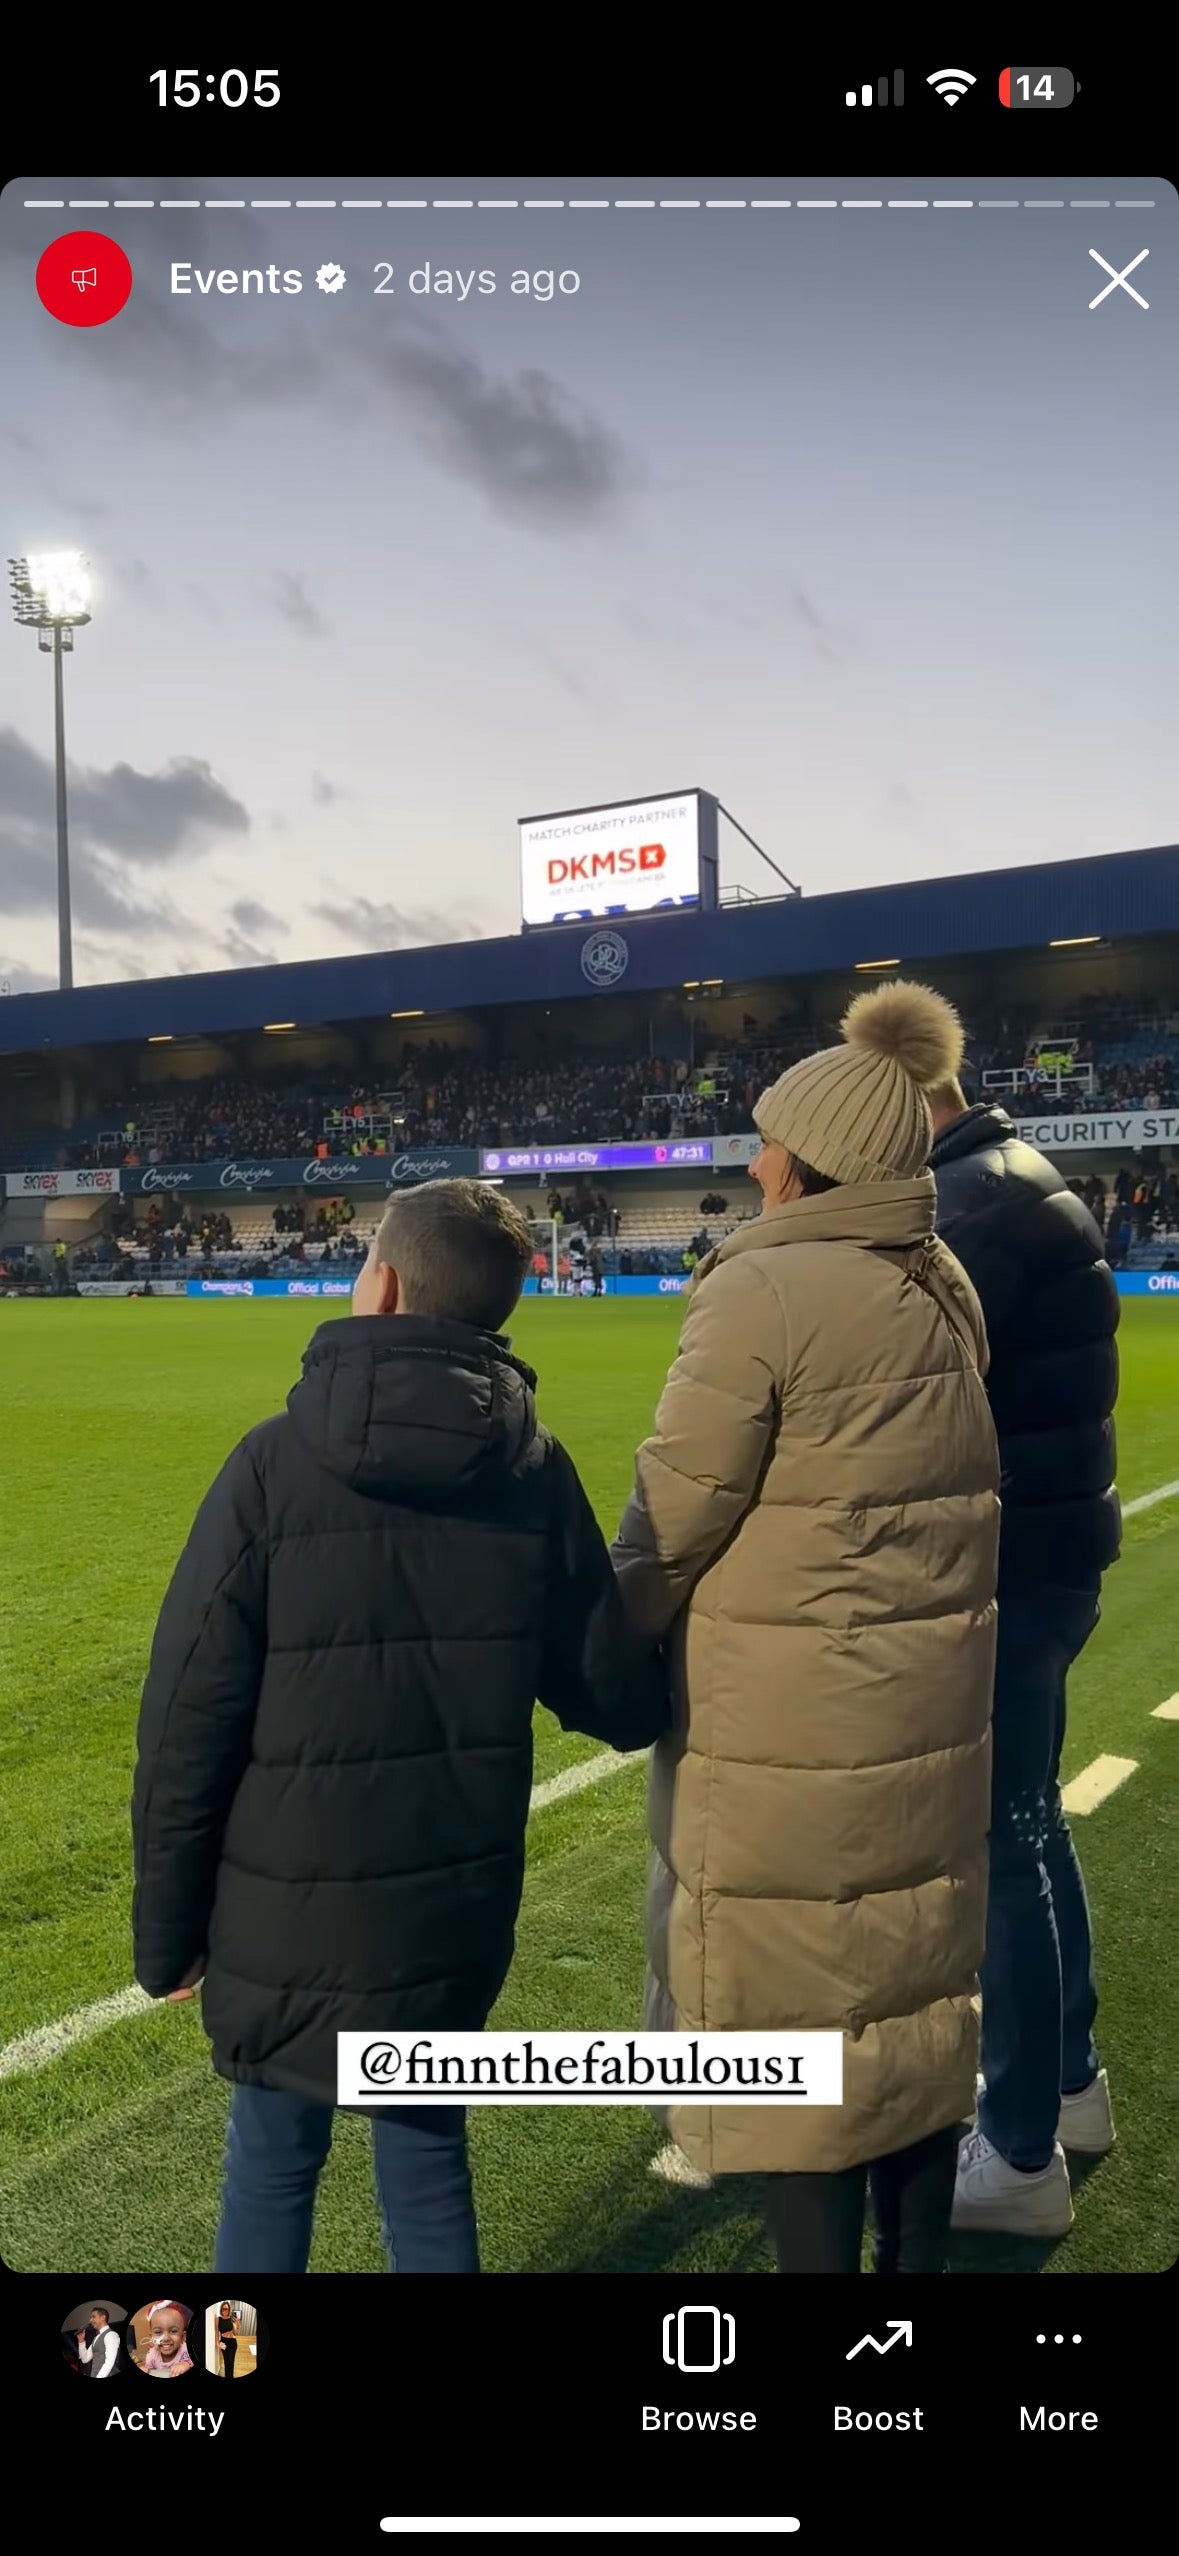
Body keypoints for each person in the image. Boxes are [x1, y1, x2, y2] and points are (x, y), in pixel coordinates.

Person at [131, 1178, 667, 2276]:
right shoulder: (535, 1471)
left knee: (272, 2162)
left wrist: (164, 1936)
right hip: (447, 1915)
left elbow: (187, 1718)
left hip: (280, 1920)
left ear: (375, 1285)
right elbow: (616, 1698)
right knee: (426, 2164)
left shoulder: (271, 1466)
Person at [611, 983, 1000, 2274]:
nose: (750, 1155)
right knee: (902, 1987)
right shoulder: (937, 1275)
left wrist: (606, 1638)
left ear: (809, 1158)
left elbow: (674, 1507)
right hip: (922, 1697)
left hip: (784, 1712)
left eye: (765, 1135)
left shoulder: (764, 1288)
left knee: (785, 2003)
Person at [928, 1079, 1121, 2237]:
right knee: (1033, 1829)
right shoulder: (1019, 1178)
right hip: (1056, 1551)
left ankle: (1016, 2154)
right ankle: (1067, 2088)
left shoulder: (971, 1207)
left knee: (1005, 1848)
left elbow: (905, 1384)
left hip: (1010, 1562)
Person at [141, 2303, 193, 2377]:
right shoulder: (151, 2355)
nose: (166, 2338)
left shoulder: (187, 2350)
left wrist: (187, 2364)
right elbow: (150, 2370)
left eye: (173, 2331)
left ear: (183, 2336)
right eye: (158, 2332)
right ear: (151, 2337)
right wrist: (145, 2369)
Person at [76, 2308, 121, 2379]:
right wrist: (81, 2341)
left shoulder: (111, 2335)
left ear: (103, 2318)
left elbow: (109, 2362)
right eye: (90, 2317)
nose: (90, 2320)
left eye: (93, 2317)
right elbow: (85, 2359)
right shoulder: (96, 2338)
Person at [215, 2301, 239, 2378]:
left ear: (229, 2310)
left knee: (231, 2362)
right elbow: (216, 2332)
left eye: (227, 2309)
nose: (225, 2311)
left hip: (232, 2342)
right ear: (221, 2309)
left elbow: (236, 2333)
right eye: (223, 2309)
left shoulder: (231, 2319)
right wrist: (217, 2342)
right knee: (226, 2361)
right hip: (223, 2342)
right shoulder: (218, 2319)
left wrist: (238, 2324)